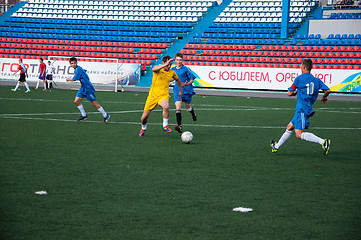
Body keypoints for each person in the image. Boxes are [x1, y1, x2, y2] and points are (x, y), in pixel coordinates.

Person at [270, 59, 331, 155]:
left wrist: (294, 92)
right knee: (290, 127)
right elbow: (327, 90)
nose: (300, 67)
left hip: (302, 109)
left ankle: (323, 142)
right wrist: (323, 97)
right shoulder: (316, 80)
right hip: (306, 108)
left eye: (301, 66)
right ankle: (276, 147)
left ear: (304, 67)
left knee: (299, 134)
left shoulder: (299, 79)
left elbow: (289, 93)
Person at [139, 56, 183, 137]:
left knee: (166, 106)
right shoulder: (158, 68)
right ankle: (143, 128)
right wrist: (164, 65)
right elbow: (153, 69)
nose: (169, 66)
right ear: (163, 63)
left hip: (163, 95)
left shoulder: (171, 72)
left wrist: (181, 90)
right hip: (152, 96)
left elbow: (178, 80)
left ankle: (165, 125)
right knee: (144, 117)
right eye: (167, 64)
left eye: (170, 64)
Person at [65, 57, 110, 123]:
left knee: (94, 103)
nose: (73, 64)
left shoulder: (78, 69)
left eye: (74, 63)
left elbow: (75, 78)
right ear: (70, 64)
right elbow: (84, 73)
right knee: (76, 101)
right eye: (72, 63)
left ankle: (105, 115)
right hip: (83, 87)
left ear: (76, 63)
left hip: (88, 88)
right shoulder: (78, 69)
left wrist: (68, 79)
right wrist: (82, 82)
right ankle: (84, 115)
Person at [171, 53, 197, 133]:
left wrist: (187, 84)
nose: (179, 62)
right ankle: (179, 126)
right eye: (177, 60)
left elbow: (192, 79)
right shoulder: (173, 69)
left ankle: (192, 112)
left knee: (187, 107)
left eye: (180, 60)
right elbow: (172, 78)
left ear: (182, 60)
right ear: (175, 60)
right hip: (177, 90)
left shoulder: (186, 69)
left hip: (187, 90)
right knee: (178, 108)